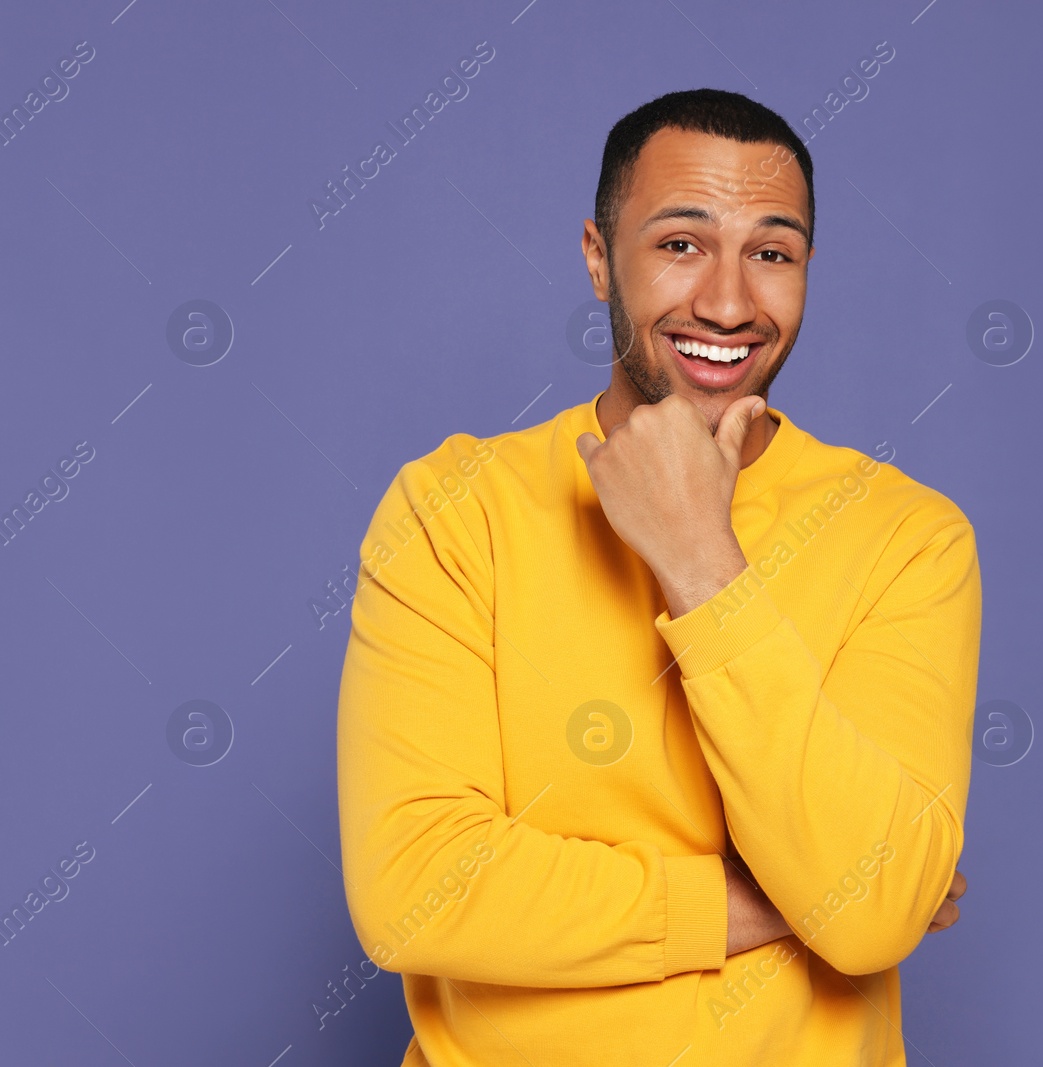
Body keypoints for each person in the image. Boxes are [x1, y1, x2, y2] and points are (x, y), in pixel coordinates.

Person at [336, 87, 982, 1066]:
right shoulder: (456, 507)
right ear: (599, 256)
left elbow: (871, 915)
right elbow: (414, 888)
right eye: (681, 243)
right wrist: (765, 905)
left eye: (771, 253)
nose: (727, 302)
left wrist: (697, 555)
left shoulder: (908, 537)